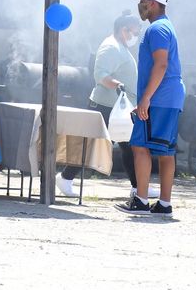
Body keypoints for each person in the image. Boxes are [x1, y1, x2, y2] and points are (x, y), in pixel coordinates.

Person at [115, 0, 184, 216]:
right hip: (169, 98)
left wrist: (145, 99)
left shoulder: (156, 30)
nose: (140, 5)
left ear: (153, 3)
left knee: (139, 146)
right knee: (166, 151)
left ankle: (141, 201)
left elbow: (161, 64)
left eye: (143, 0)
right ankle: (164, 204)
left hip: (160, 98)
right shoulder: (165, 27)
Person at [58, 12, 141, 198]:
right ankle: (64, 178)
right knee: (90, 145)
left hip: (116, 107)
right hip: (105, 106)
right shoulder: (111, 47)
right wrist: (118, 85)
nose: (135, 37)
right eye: (134, 32)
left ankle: (138, 187)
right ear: (123, 30)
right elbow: (100, 75)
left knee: (128, 145)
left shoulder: (120, 46)